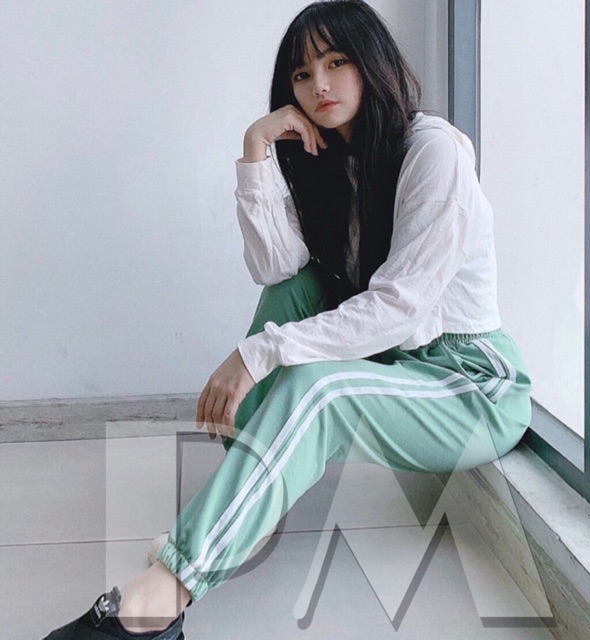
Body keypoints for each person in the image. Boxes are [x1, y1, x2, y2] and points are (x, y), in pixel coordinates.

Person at [44, 1, 532, 638]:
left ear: (373, 62)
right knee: (298, 291)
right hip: (400, 363)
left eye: (336, 62)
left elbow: (399, 308)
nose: (319, 85)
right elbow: (278, 268)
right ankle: (253, 495)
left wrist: (258, 354)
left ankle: (161, 598)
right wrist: (256, 151)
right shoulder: (335, 159)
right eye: (302, 74)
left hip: (470, 384)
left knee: (316, 387)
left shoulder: (432, 150)